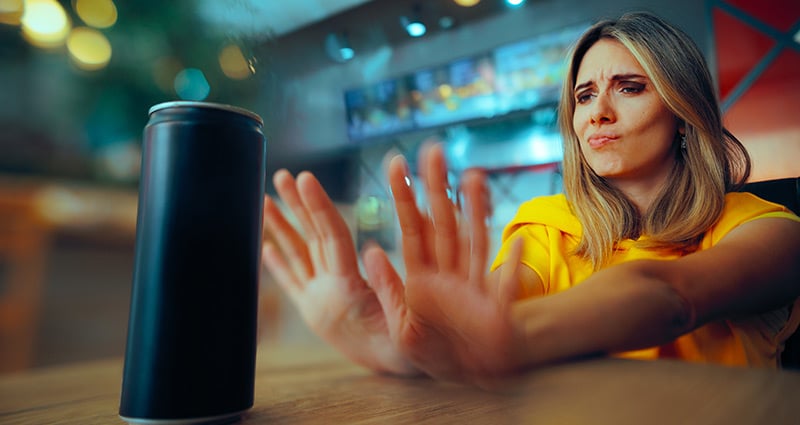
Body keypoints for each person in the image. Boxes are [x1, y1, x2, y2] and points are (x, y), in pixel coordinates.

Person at [261, 11, 800, 384]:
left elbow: (670, 297)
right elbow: (491, 308)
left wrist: (494, 340)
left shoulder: (769, 229)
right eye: (584, 96)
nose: (596, 113)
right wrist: (411, 340)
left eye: (629, 87)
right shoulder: (548, 223)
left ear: (684, 113)